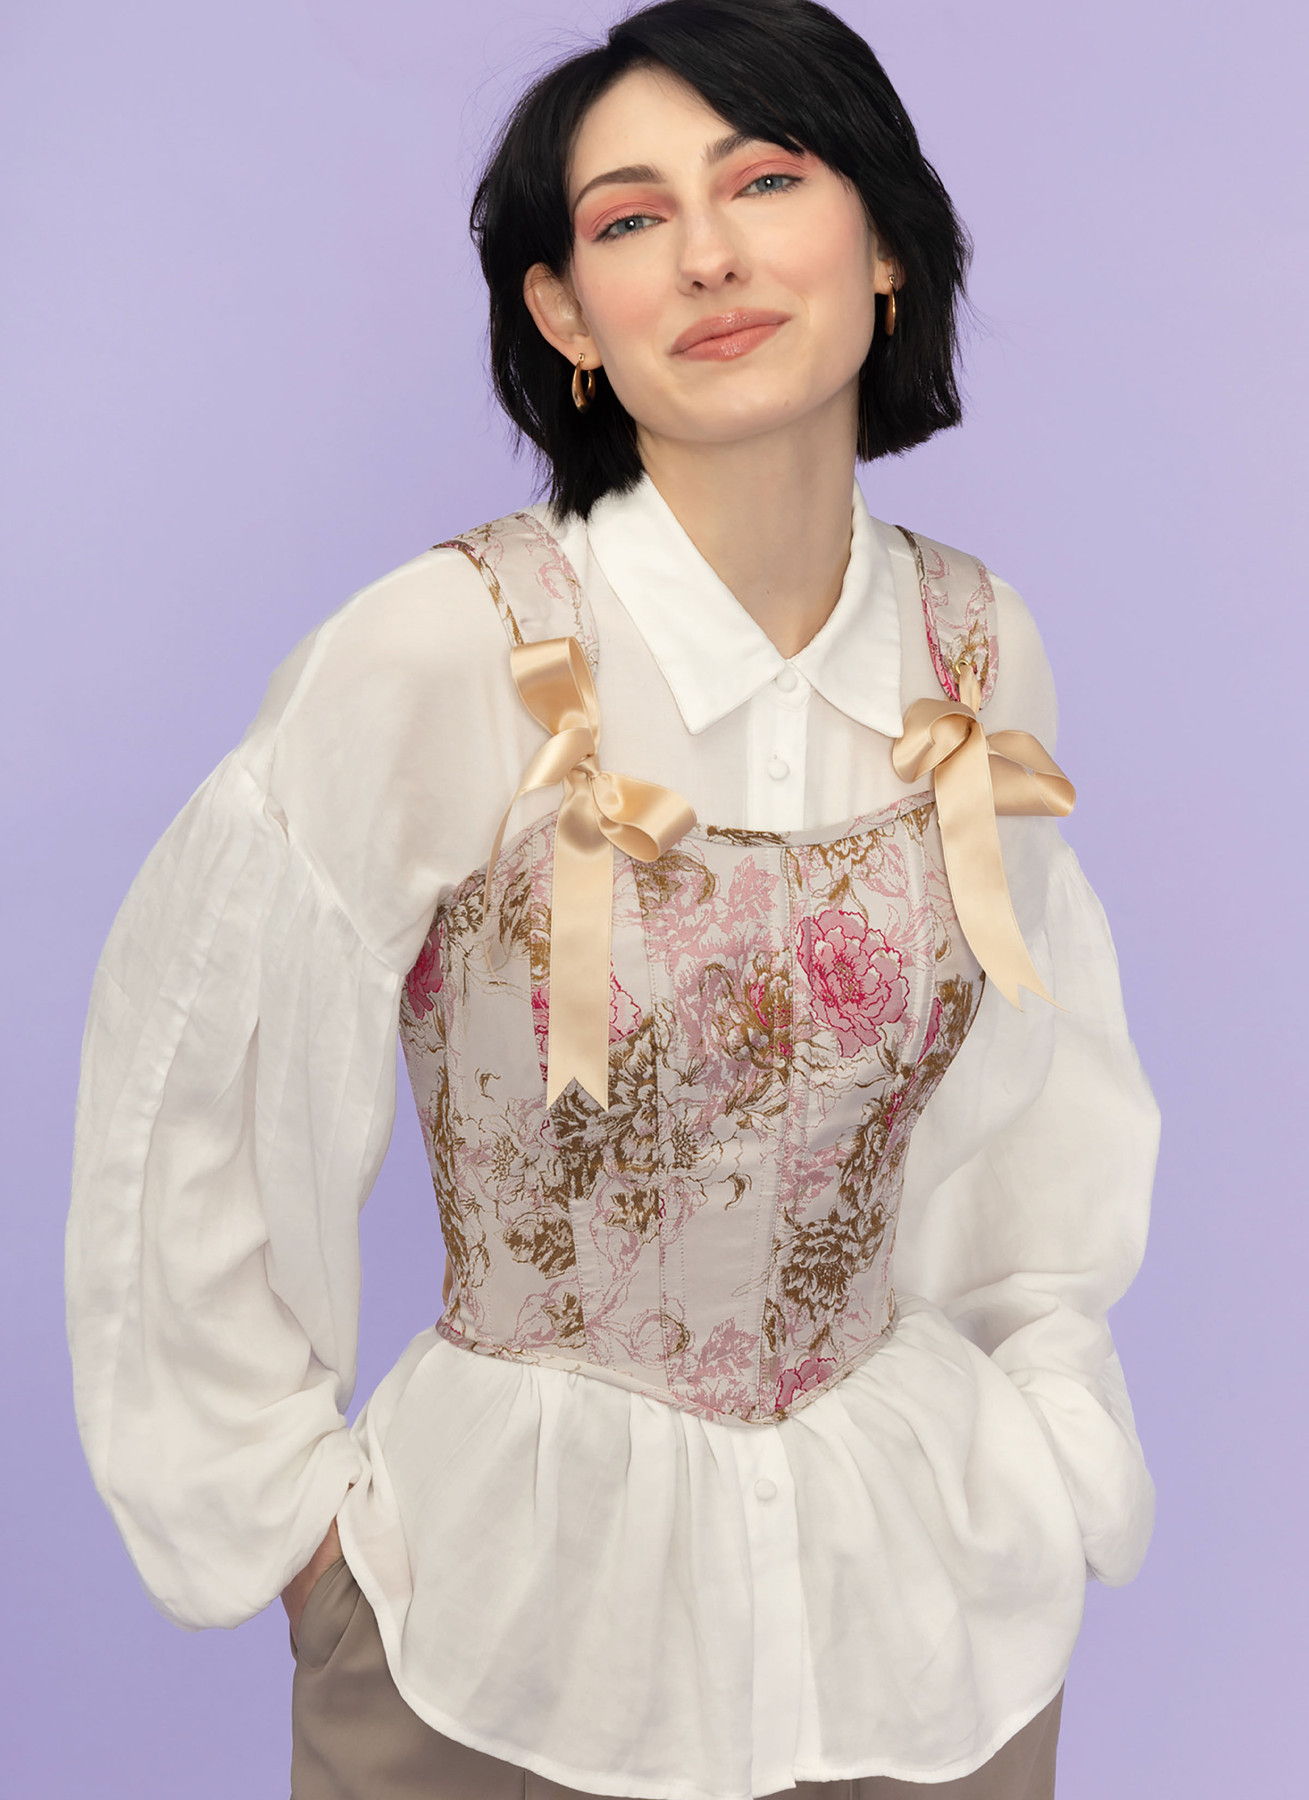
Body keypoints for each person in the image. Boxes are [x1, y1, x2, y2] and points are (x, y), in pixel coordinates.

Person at [63, 3, 1160, 1797]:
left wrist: (1049, 1435)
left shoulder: (979, 649)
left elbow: (1032, 1099)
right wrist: (288, 1537)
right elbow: (187, 1090)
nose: (708, 250)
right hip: (498, 1635)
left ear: (882, 244)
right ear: (564, 314)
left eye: (767, 179)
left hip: (921, 1627)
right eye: (629, 217)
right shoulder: (452, 652)